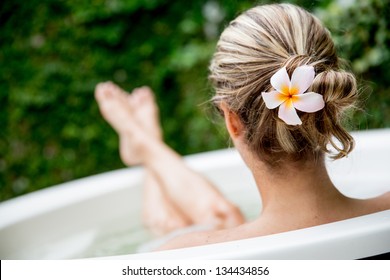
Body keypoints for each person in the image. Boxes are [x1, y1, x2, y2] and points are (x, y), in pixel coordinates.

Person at [95, 3, 390, 250]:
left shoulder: (181, 256)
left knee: (219, 220)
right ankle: (147, 146)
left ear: (232, 120)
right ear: (329, 101)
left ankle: (146, 145)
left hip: (228, 238)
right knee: (225, 220)